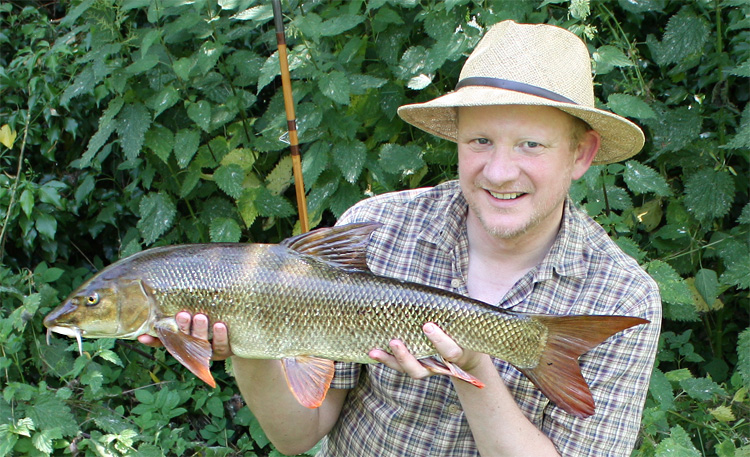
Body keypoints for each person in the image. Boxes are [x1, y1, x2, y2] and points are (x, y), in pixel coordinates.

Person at [140, 20, 661, 456]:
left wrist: (473, 363)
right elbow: (297, 437)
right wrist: (249, 346)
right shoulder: (380, 228)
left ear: (582, 154)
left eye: (531, 145)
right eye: (480, 140)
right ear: (456, 139)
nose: (501, 172)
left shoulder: (622, 295)